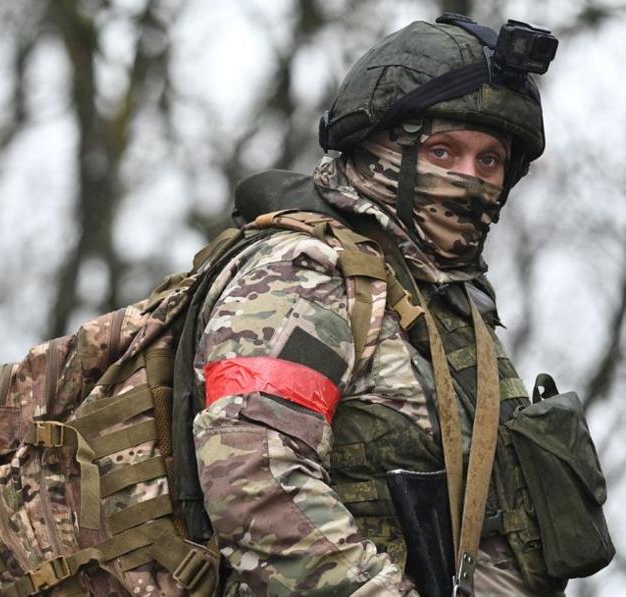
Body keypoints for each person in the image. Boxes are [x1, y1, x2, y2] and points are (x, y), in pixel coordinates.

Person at [191, 14, 611, 596]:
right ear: (376, 147)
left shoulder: (448, 306)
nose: (468, 178)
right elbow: (253, 476)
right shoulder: (305, 272)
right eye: (443, 150)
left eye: (489, 160)